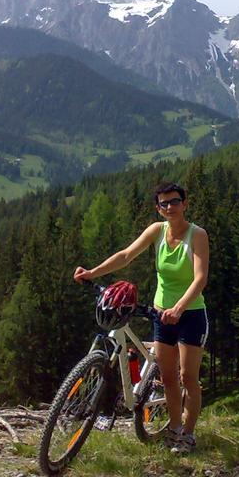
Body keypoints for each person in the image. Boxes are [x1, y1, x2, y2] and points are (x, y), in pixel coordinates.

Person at [73, 182, 209, 454]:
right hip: (162, 314)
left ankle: (188, 433)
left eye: (174, 201)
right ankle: (173, 428)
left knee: (188, 376)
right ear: (158, 209)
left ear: (185, 203)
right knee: (169, 378)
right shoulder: (157, 231)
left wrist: (180, 307)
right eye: (163, 203)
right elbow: (126, 256)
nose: (170, 207)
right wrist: (92, 273)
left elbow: (200, 277)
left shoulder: (197, 235)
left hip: (190, 314)